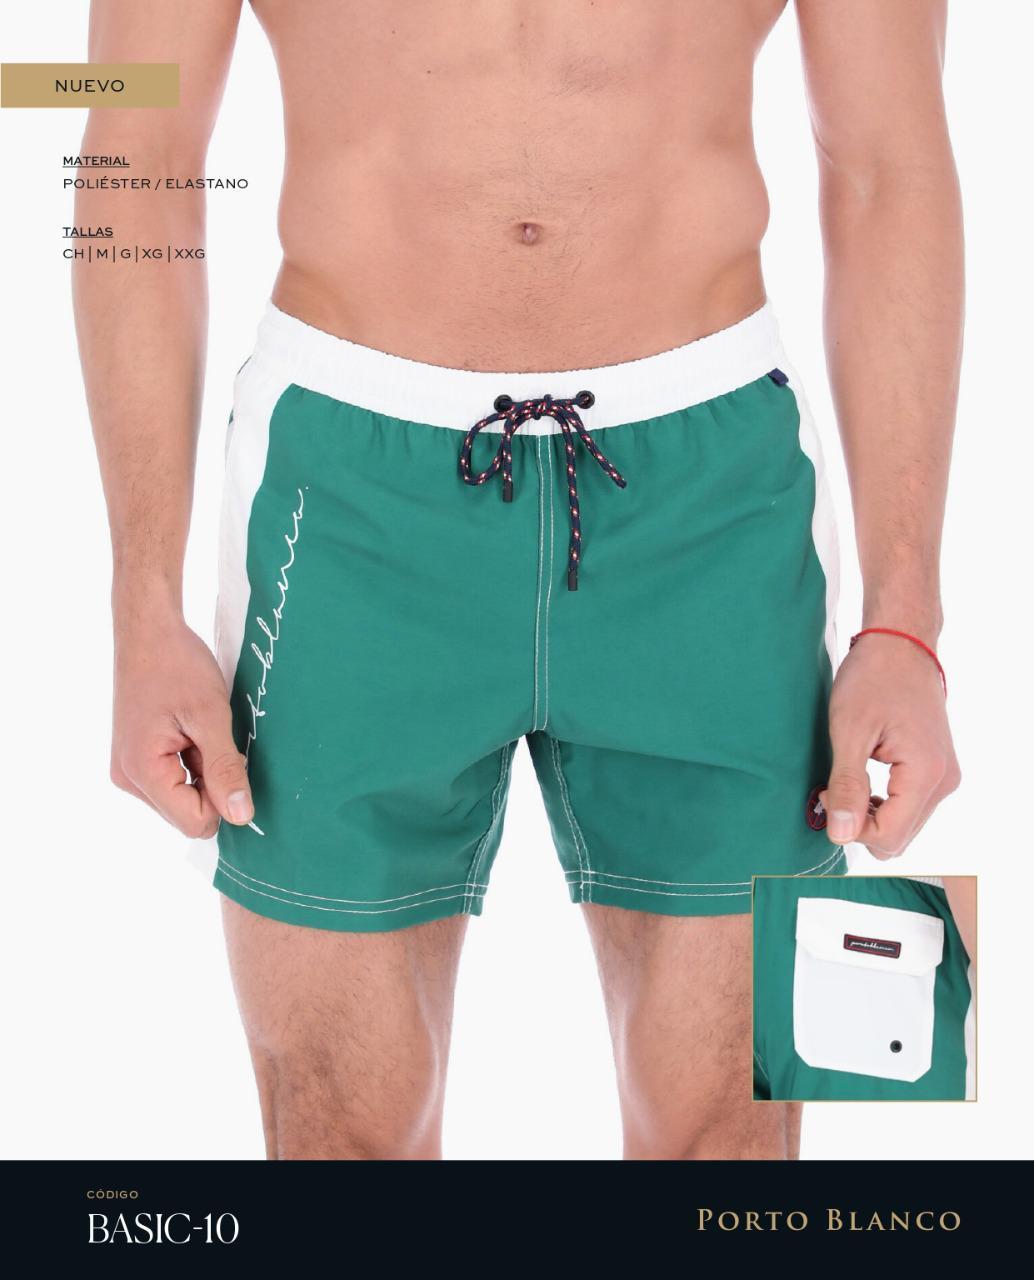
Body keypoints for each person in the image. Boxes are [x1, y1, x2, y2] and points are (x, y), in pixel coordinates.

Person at [74, 0, 962, 1160]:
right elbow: (133, 153)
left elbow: (888, 162)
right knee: (336, 1139)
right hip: (346, 500)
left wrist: (903, 623)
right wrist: (140, 606)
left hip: (711, 504)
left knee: (731, 1141)